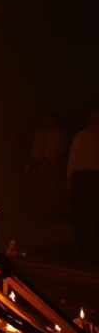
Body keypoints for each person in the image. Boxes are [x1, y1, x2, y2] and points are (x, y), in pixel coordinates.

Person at [67, 107, 99, 256]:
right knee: (81, 211)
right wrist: (70, 177)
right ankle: (82, 244)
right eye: (93, 118)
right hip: (82, 176)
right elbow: (74, 158)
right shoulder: (80, 137)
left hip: (96, 175)